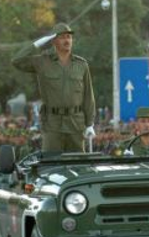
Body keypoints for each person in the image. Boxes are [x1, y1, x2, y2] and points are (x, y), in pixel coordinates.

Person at [11, 23, 95, 152]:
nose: (67, 40)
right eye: (62, 37)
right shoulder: (43, 62)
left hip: (76, 124)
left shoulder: (81, 65)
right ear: (53, 41)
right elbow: (17, 61)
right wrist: (36, 44)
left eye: (69, 37)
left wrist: (90, 124)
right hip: (52, 124)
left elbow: (88, 96)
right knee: (51, 161)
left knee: (76, 161)